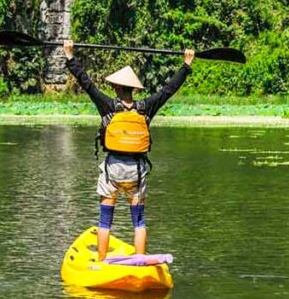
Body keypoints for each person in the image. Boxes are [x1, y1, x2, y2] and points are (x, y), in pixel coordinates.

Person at [63, 40, 196, 260]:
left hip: (113, 169)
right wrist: (186, 64)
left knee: (105, 220)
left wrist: (70, 57)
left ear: (115, 87)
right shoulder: (146, 108)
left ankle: (103, 262)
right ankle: (139, 260)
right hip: (136, 170)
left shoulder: (107, 105)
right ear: (134, 89)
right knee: (139, 220)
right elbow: (168, 90)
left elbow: (86, 83)